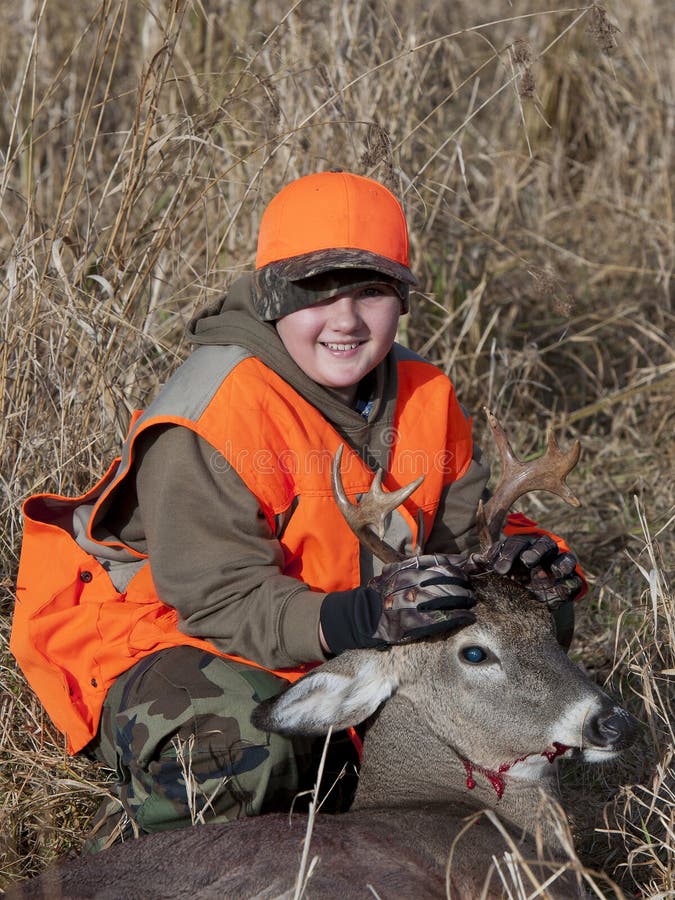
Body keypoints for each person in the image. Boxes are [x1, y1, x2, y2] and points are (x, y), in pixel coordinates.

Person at [11, 171, 583, 851]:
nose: (344, 320)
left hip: (334, 631)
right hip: (169, 639)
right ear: (269, 293)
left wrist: (522, 560)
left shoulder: (425, 394)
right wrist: (357, 618)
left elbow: (458, 534)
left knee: (522, 641)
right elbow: (218, 601)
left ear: (400, 298)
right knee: (240, 741)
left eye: (370, 292)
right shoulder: (215, 412)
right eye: (315, 292)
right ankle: (156, 856)